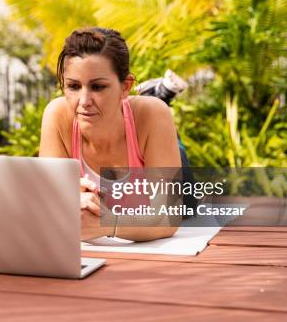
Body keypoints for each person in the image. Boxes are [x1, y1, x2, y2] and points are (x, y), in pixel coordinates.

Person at [39, 27, 182, 242]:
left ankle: (157, 94)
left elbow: (169, 217)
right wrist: (67, 198)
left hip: (147, 145)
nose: (84, 101)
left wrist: (108, 223)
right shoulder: (57, 115)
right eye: (73, 86)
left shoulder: (153, 115)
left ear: (125, 86)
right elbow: (47, 209)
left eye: (97, 87)